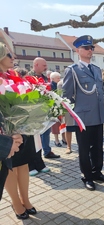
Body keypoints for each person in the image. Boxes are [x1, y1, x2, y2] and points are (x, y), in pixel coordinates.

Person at [63, 35, 104, 191]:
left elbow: (100, 92)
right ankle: (87, 176)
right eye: (86, 48)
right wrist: (72, 115)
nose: (90, 50)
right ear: (78, 51)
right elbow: (67, 95)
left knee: (98, 147)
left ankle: (97, 172)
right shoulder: (73, 70)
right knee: (84, 148)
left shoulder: (97, 69)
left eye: (92, 48)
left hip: (97, 115)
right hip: (82, 117)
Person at [0, 43, 37, 219]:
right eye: (8, 54)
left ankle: (26, 200)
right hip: (6, 134)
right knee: (9, 169)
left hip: (22, 130)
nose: (12, 58)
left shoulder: (14, 76)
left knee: (23, 165)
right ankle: (16, 203)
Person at [28, 58, 60, 159]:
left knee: (46, 132)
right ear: (36, 65)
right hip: (35, 111)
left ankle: (47, 151)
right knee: (36, 135)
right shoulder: (29, 76)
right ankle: (36, 157)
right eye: (44, 65)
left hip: (45, 109)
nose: (46, 67)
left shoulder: (44, 77)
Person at [50, 72, 67, 147]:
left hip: (61, 106)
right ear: (53, 79)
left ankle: (64, 138)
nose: (59, 79)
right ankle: (56, 140)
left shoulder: (61, 85)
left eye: (60, 78)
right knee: (55, 124)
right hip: (53, 107)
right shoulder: (50, 86)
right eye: (58, 78)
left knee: (63, 123)